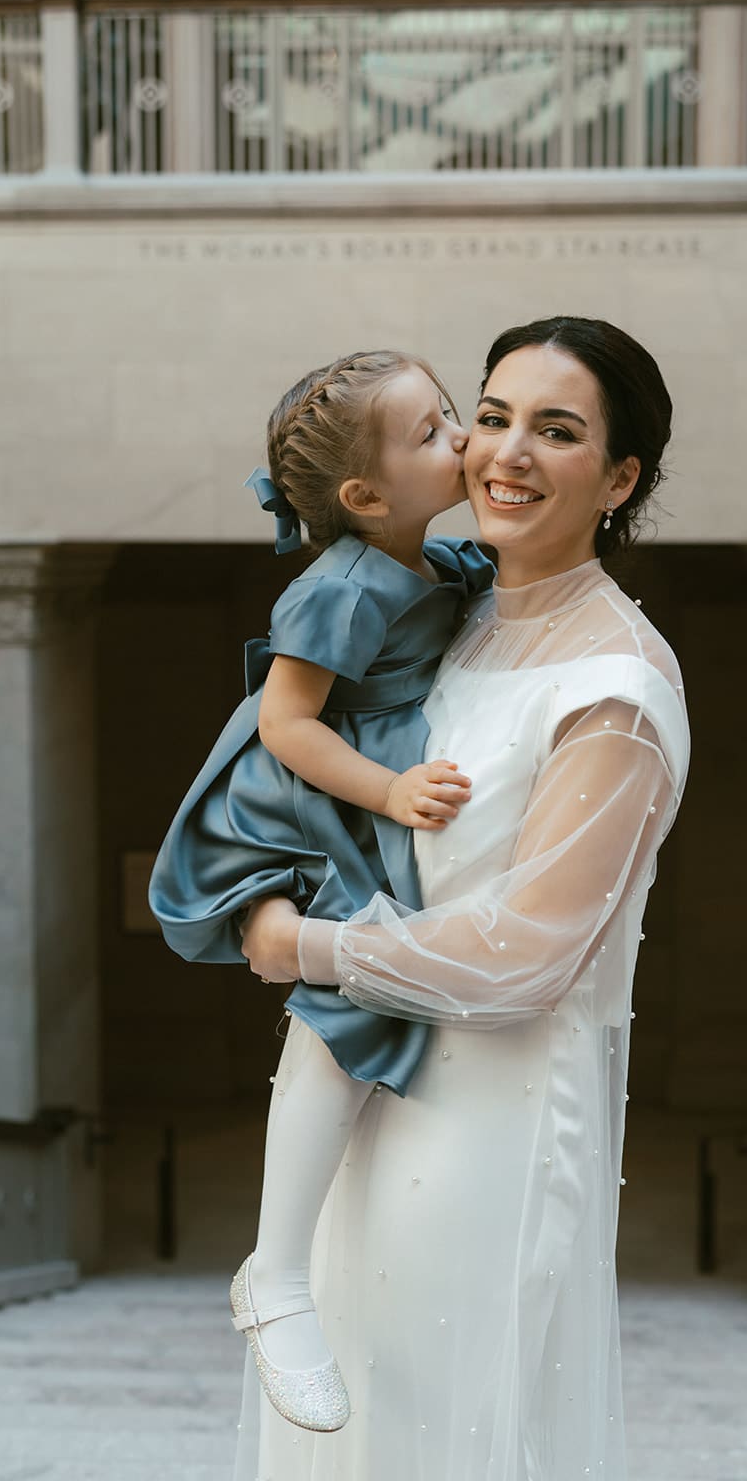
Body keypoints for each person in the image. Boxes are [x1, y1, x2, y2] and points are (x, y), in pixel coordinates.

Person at [236, 316, 691, 1481]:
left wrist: (306, 946)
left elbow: (526, 953)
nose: (505, 452)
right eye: (489, 416)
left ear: (620, 476)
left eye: (557, 429)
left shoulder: (615, 688)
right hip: (369, 1111)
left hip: (490, 1127)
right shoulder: (442, 614)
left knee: (448, 1437)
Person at [148, 350, 493, 1432]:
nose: (465, 442)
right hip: (303, 795)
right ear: (364, 496)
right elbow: (284, 723)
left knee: (365, 980)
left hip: (355, 786)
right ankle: (274, 1269)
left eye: (452, 418)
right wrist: (388, 791)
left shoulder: (435, 559)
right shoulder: (344, 582)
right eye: (436, 432)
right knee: (342, 982)